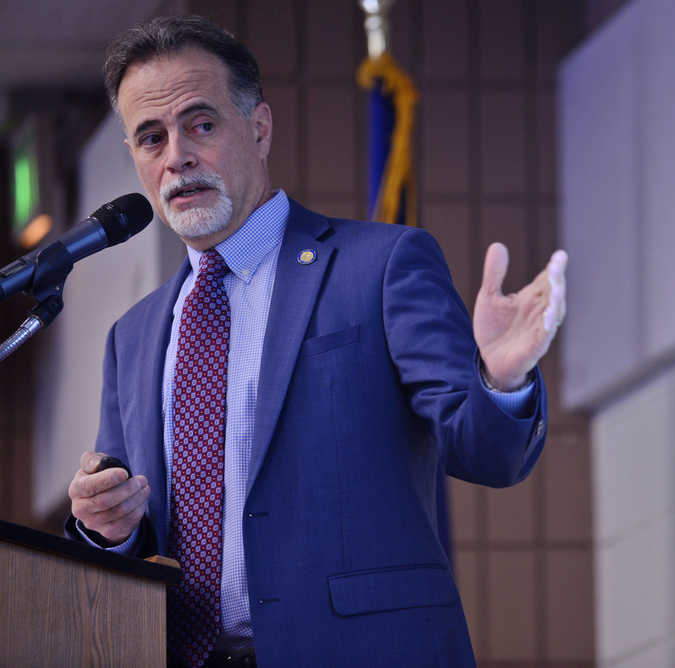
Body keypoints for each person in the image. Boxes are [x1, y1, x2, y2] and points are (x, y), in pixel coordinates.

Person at [64, 15, 567, 668]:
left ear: (260, 128)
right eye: (151, 137)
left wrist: (500, 382)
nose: (177, 156)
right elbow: (129, 539)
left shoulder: (380, 265)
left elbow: (488, 454)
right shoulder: (130, 337)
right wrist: (105, 532)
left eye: (202, 124)